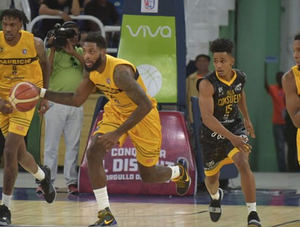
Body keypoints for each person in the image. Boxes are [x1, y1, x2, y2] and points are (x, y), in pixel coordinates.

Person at [34, 32, 191, 226]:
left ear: (103, 52)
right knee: (93, 152)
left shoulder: (120, 72)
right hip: (116, 111)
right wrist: (41, 92)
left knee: (148, 175)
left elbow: (145, 105)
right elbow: (76, 100)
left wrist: (117, 133)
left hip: (143, 117)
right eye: (85, 51)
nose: (88, 56)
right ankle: (105, 214)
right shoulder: (90, 70)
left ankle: (178, 172)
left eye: (92, 51)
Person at [0, 9, 56, 225]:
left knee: (9, 150)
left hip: (25, 101)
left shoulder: (35, 44)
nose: (8, 29)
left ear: (21, 26)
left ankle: (5, 207)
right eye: (5, 24)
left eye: (13, 25)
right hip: (3, 102)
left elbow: (45, 66)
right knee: (22, 155)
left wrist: (44, 96)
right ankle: (43, 177)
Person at [198, 38, 261, 226]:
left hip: (235, 126)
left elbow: (239, 93)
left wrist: (247, 118)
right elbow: (208, 119)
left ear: (232, 60)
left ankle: (252, 214)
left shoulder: (240, 77)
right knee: (211, 180)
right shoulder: (207, 84)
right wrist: (232, 138)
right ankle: (216, 196)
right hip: (212, 136)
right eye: (215, 60)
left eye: (222, 61)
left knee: (242, 162)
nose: (218, 65)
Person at [38, 21, 84, 195]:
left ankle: (71, 181)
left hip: (76, 102)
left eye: (76, 33)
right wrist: (53, 48)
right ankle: (46, 182)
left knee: (73, 144)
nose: (73, 36)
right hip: (55, 102)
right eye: (70, 33)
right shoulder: (52, 52)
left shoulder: (80, 52)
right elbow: (46, 73)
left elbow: (88, 68)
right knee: (51, 145)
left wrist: (73, 52)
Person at [282, 33, 300, 167]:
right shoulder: (290, 78)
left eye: (299, 51)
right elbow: (297, 120)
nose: (295, 56)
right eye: (294, 50)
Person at [264, 71, 287, 171]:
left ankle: (292, 166)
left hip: (288, 122)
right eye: (278, 78)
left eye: (282, 78)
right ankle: (282, 168)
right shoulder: (274, 89)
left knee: (292, 145)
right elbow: (266, 86)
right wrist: (265, 71)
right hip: (277, 122)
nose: (280, 80)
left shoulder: (287, 89)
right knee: (280, 146)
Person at [186, 54, 210, 124]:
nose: (202, 63)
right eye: (199, 61)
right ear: (196, 64)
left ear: (208, 63)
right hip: (194, 110)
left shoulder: (214, 77)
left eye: (204, 61)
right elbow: (186, 95)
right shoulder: (190, 78)